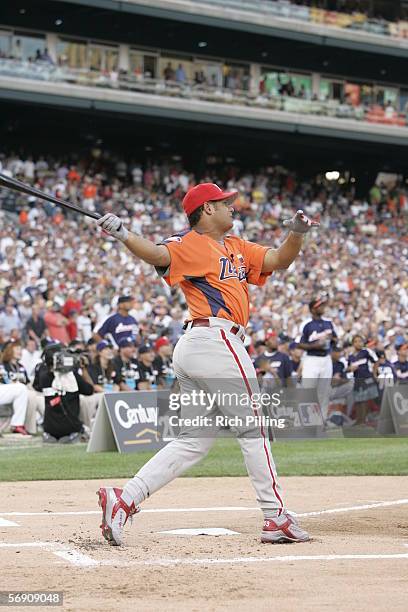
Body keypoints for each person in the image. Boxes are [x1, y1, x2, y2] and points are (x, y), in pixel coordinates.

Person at [95, 182, 318, 546]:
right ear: (207, 210)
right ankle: (275, 516)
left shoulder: (236, 246)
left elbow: (279, 259)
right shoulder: (190, 242)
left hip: (204, 346)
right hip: (214, 341)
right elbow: (156, 254)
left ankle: (124, 499)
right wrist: (122, 233)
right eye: (224, 202)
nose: (232, 206)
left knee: (193, 441)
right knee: (254, 428)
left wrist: (296, 233)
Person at [299, 296, 337, 423]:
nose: (322, 308)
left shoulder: (329, 323)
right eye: (319, 306)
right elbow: (298, 344)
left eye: (322, 305)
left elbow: (336, 340)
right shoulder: (306, 324)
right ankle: (306, 420)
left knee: (324, 393)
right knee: (308, 390)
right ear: (312, 310)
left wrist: (332, 339)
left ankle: (322, 421)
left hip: (326, 359)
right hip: (311, 359)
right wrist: (314, 345)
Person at [347, 334, 379, 425]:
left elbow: (376, 361)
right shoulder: (351, 356)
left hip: (366, 378)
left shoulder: (366, 352)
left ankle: (363, 420)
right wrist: (350, 369)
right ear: (353, 343)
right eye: (356, 341)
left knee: (364, 400)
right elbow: (348, 368)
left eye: (360, 341)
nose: (358, 343)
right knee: (358, 400)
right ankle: (359, 419)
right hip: (357, 379)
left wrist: (374, 373)